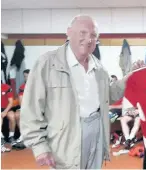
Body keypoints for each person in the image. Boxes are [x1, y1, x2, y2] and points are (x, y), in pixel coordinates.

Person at [20, 15, 125, 169]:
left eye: (93, 35)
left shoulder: (99, 68)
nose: (88, 39)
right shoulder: (47, 63)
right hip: (65, 139)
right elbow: (31, 109)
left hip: (96, 131)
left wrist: (130, 78)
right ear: (69, 32)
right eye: (83, 33)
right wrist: (40, 147)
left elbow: (107, 96)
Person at [1, 83, 13, 153]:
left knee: (12, 116)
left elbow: (11, 102)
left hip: (5, 108)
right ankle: (1, 138)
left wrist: (5, 111)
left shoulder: (6, 87)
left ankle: (11, 136)